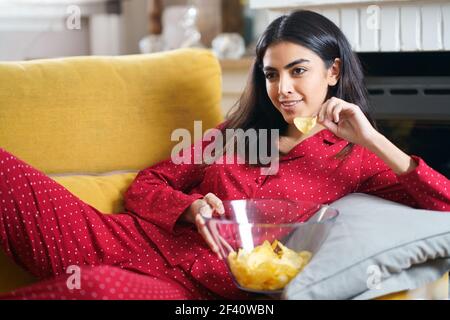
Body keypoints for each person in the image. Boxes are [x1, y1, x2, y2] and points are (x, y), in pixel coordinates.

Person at [0, 10, 449, 300]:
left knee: (97, 288)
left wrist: (372, 138)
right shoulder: (234, 134)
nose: (283, 89)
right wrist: (190, 208)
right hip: (124, 238)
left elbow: (444, 205)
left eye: (298, 71)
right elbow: (149, 184)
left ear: (333, 71)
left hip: (190, 290)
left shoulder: (354, 160)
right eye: (272, 74)